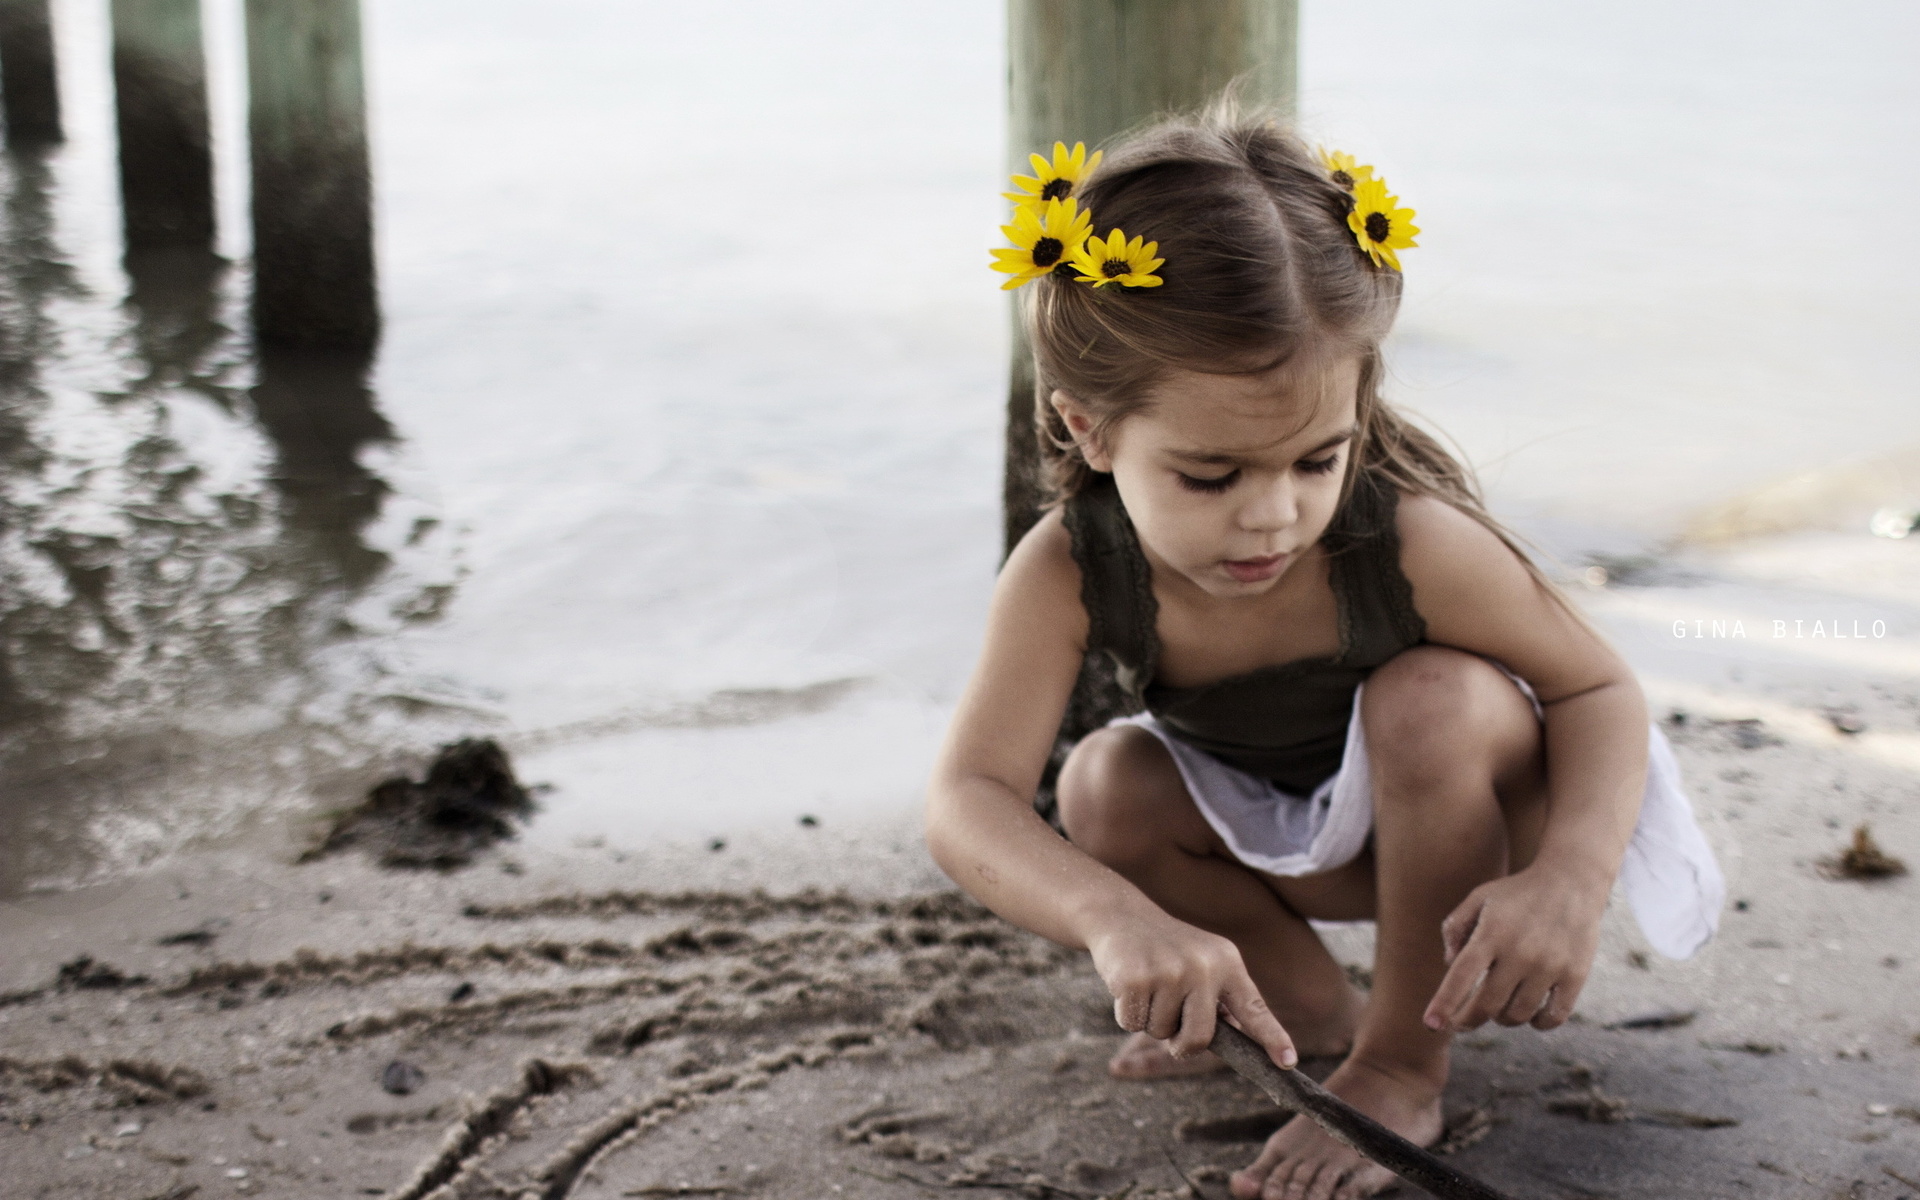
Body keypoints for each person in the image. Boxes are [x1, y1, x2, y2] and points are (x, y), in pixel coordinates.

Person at [926, 106, 1723, 1200]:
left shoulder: (1409, 544)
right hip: (1297, 833)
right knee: (1104, 784)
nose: (1274, 517)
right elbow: (969, 798)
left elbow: (1597, 686)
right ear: (1088, 429)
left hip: (1484, 813)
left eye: (1317, 460)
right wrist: (1123, 922)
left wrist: (1571, 879)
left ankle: (1402, 1061)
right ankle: (1306, 1012)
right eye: (1213, 477)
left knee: (1428, 697)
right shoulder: (1069, 567)